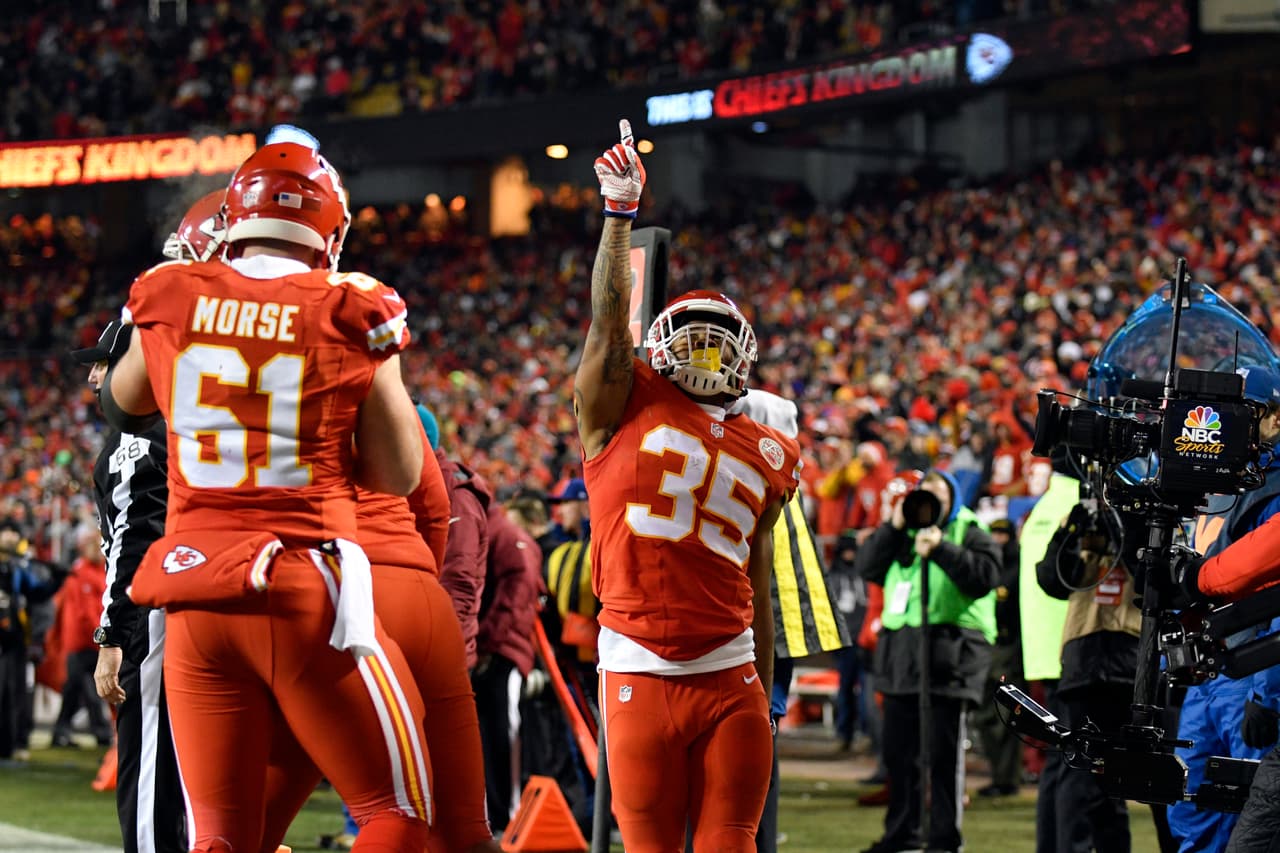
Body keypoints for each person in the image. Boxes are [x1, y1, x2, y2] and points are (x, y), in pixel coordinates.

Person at [102, 139, 432, 851]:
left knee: (222, 837)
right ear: (332, 230)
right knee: (397, 813)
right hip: (299, 581)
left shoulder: (171, 290)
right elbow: (398, 473)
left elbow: (123, 402)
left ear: (233, 216)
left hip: (194, 595)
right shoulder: (352, 306)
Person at [576, 119, 801, 852]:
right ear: (659, 346)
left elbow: (759, 580)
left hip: (731, 670)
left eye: (717, 339)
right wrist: (618, 217)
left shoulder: (769, 445)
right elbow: (607, 326)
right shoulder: (623, 401)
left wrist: (768, 686)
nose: (705, 351)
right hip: (637, 663)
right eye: (692, 337)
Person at [84, 190, 224, 853]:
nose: (94, 379)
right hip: (233, 591)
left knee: (152, 775)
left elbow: (134, 535)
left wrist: (113, 633)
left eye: (103, 363)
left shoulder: (140, 431)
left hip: (162, 607)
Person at [1164, 366, 1280, 853]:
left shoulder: (1272, 484)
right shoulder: (1221, 480)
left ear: (1274, 418)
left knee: (1251, 815)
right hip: (1209, 669)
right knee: (1190, 804)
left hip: (1249, 668)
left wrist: (1267, 692)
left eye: (1242, 413)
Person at [855, 469, 1000, 853]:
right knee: (899, 756)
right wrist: (893, 525)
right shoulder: (902, 532)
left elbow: (986, 575)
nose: (931, 505)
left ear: (953, 500)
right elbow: (867, 568)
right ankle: (902, 835)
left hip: (951, 654)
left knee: (942, 756)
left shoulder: (970, 531)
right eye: (925, 496)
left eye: (940, 497)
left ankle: (943, 840)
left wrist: (942, 549)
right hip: (902, 653)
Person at [474, 498, 544, 833]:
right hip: (489, 647)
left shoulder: (506, 536)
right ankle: (493, 815)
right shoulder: (497, 532)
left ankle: (508, 816)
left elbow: (516, 598)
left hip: (501, 650)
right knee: (487, 735)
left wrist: (486, 640)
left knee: (503, 732)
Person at [971, 516, 1025, 798]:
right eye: (995, 534)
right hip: (986, 645)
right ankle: (999, 775)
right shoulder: (988, 566)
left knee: (1006, 717)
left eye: (1003, 535)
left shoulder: (1018, 568)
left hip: (1008, 647)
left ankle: (1007, 778)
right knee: (984, 716)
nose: (998, 540)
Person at [50, 529, 112, 748]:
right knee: (85, 688)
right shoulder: (81, 573)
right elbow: (86, 613)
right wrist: (104, 637)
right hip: (81, 642)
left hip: (90, 640)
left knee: (76, 689)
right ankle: (100, 732)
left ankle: (62, 732)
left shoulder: (100, 571)